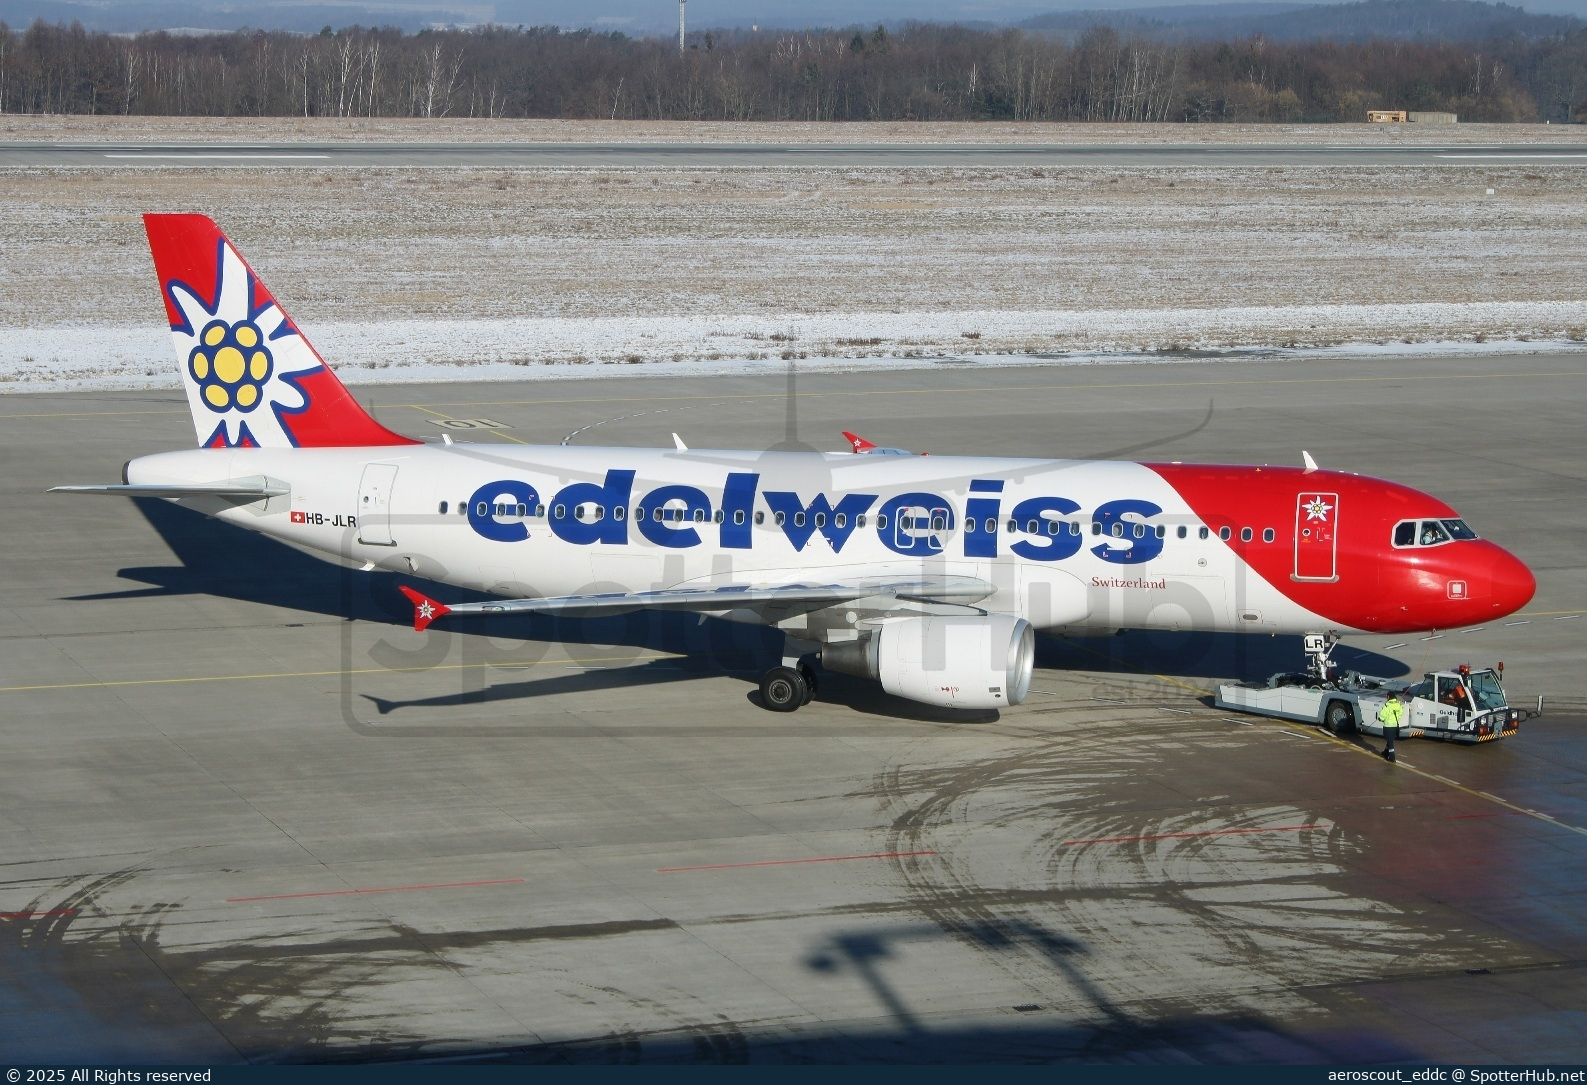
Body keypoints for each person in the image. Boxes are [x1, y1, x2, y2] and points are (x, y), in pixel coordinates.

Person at [1378, 694, 1405, 762]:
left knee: (1390, 742)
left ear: (1389, 697)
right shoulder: (1398, 704)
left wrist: (1380, 719)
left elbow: (1382, 715)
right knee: (1390, 740)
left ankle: (1392, 757)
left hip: (1388, 726)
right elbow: (1401, 713)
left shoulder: (1387, 705)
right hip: (1395, 726)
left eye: (1387, 696)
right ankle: (1385, 753)